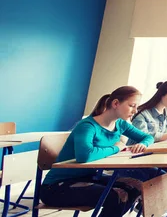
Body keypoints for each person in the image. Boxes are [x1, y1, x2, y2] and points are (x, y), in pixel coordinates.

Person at [40, 86, 156, 217]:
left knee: (135, 187)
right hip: (56, 187)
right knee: (115, 196)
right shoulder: (87, 126)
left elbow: (148, 137)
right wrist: (117, 147)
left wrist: (142, 143)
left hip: (88, 178)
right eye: (132, 105)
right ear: (116, 103)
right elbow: (85, 155)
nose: (135, 111)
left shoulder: (120, 124)